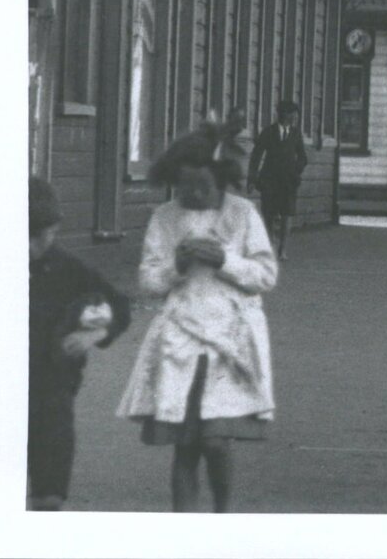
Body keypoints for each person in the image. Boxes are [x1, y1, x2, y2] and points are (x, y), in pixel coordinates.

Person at [117, 126, 277, 513]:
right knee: (186, 445)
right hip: (181, 337)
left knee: (216, 441)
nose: (194, 195)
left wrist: (225, 260)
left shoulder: (242, 214)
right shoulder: (165, 217)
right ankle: (185, 525)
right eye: (184, 187)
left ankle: (221, 514)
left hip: (231, 339)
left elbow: (265, 275)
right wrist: (177, 265)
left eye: (203, 186)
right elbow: (149, 281)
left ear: (220, 179)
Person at [28, 178, 132, 510]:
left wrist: (94, 334)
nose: (30, 246)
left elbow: (120, 306)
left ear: (54, 229)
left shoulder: (67, 268)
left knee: (48, 493)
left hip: (53, 389)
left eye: (40, 236)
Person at [247, 100, 307, 261]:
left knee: (287, 214)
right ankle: (270, 246)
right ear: (284, 114)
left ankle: (283, 248)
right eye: (292, 114)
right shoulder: (268, 132)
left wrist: (296, 171)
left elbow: (303, 157)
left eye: (296, 115)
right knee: (269, 213)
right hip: (269, 180)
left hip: (289, 181)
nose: (295, 118)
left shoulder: (295, 134)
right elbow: (256, 156)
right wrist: (252, 179)